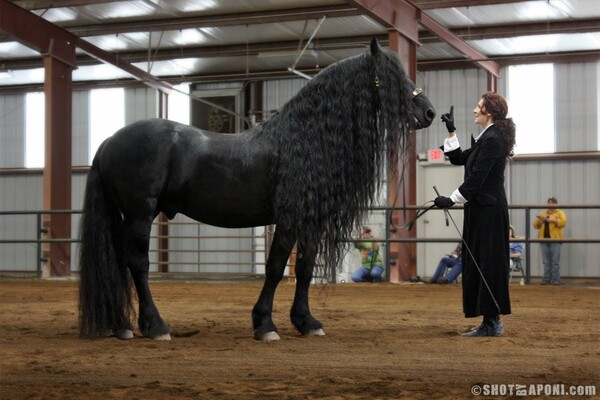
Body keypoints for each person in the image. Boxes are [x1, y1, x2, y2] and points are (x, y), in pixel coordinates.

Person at [433, 92, 516, 337]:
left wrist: (451, 199)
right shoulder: (486, 139)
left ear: (489, 112)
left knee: (488, 264)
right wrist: (451, 132)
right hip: (480, 210)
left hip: (489, 212)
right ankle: (488, 321)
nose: (474, 110)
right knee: (479, 262)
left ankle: (493, 323)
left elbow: (477, 178)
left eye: (478, 107)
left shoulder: (493, 140)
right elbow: (459, 158)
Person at [533, 197, 567, 285]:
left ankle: (556, 280)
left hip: (555, 239)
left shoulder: (560, 213)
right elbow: (535, 225)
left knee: (555, 261)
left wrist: (551, 220)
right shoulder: (543, 213)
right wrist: (540, 222)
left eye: (551, 203)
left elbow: (563, 222)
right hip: (543, 239)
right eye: (548, 203)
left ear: (556, 204)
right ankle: (546, 280)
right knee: (546, 261)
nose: (549, 204)